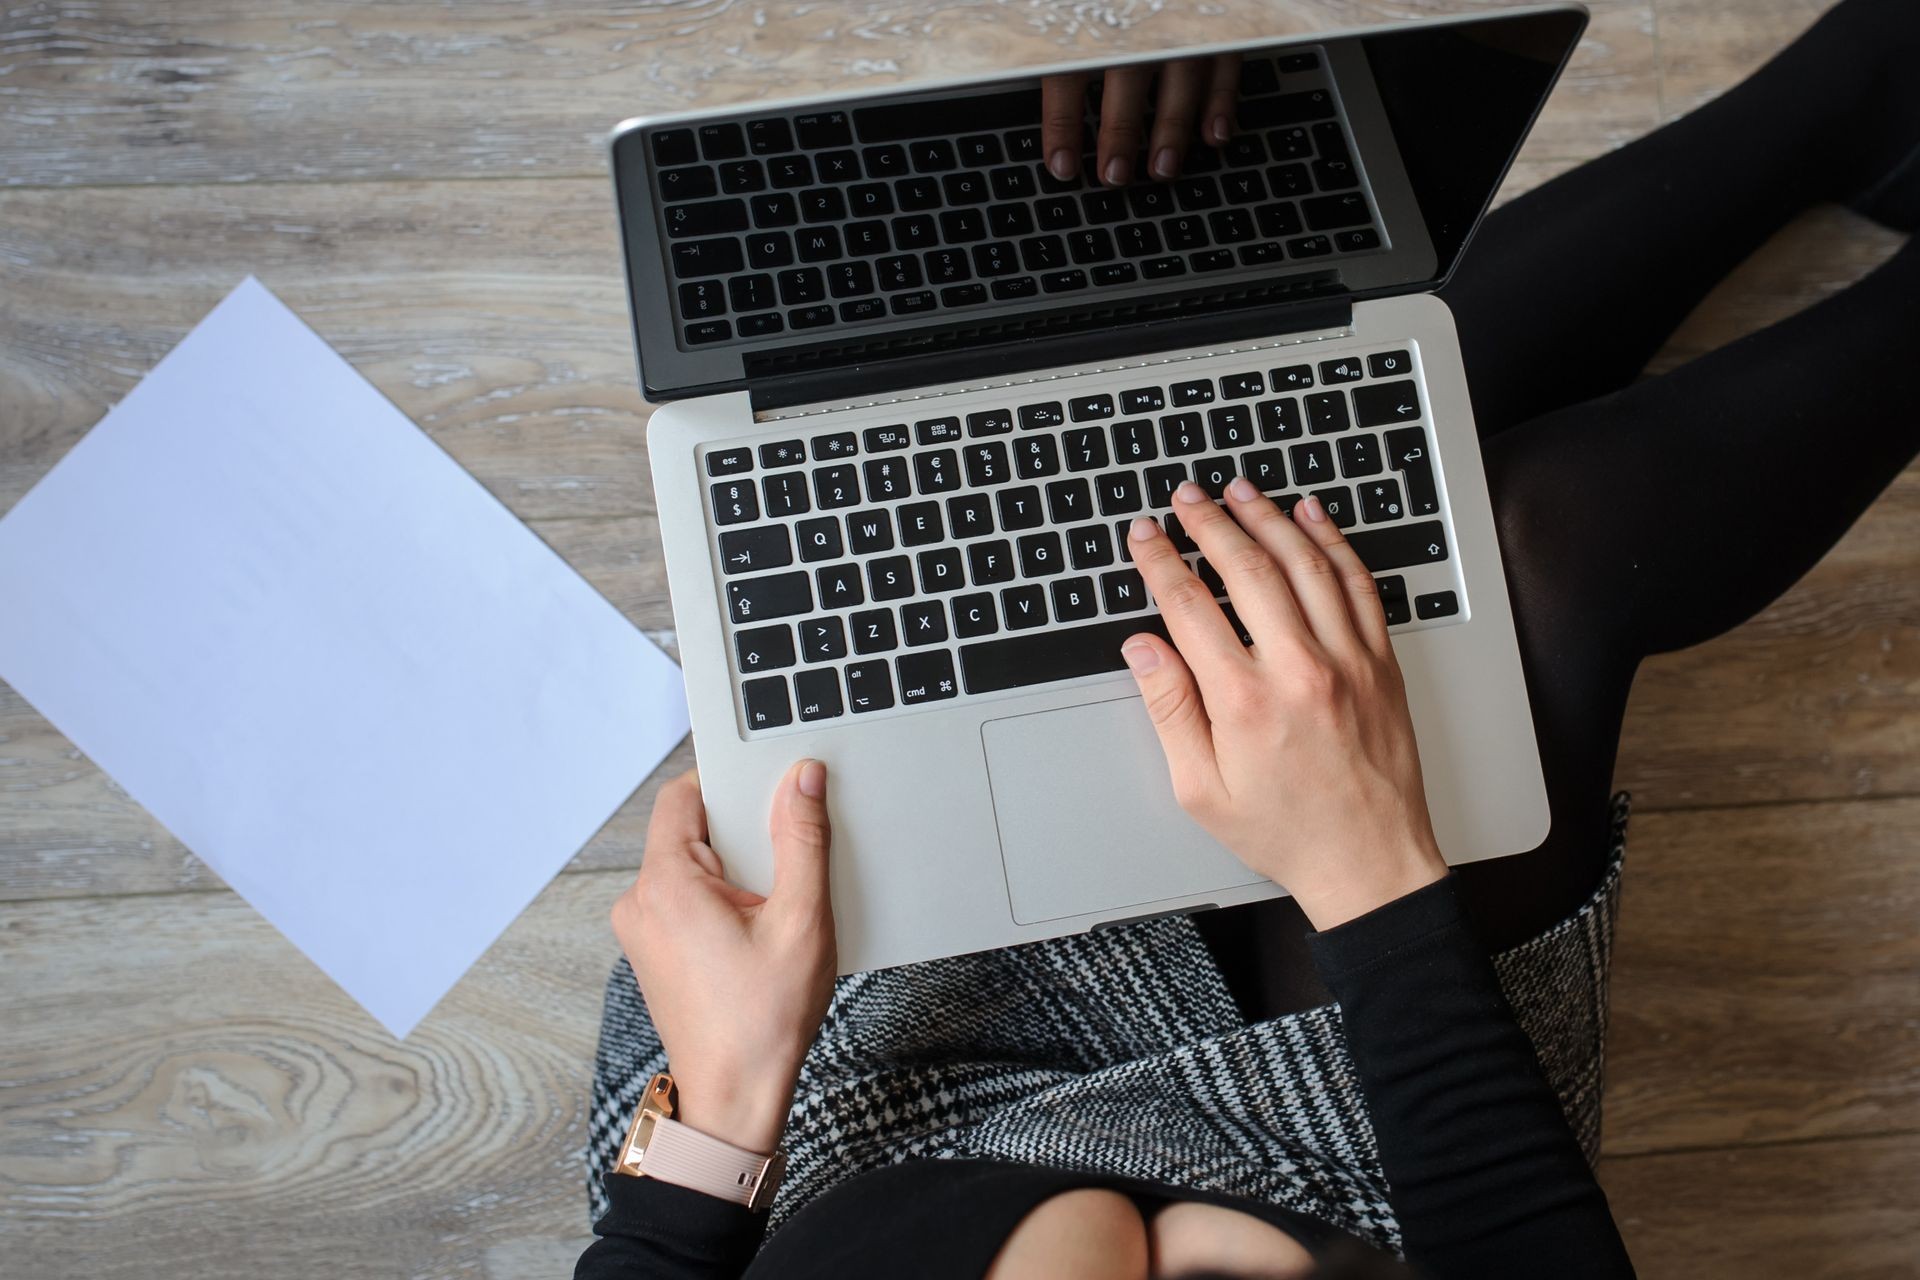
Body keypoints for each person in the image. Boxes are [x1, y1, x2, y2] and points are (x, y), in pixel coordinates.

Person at [578, 1, 1920, 1274]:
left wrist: (716, 1126)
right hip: (1356, 1154)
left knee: (1322, 428)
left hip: (812, 1119)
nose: (1171, 1238)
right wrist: (1371, 875)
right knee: (1531, 549)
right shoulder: (1307, 1241)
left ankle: (1843, 107)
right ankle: (1860, 135)